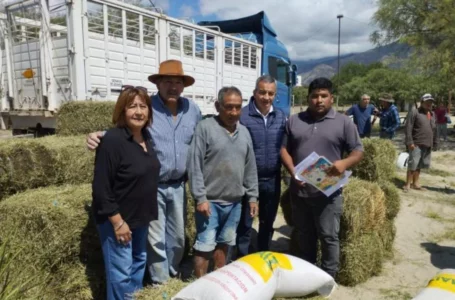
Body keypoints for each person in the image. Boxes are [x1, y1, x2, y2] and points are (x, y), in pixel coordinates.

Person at [86, 60, 201, 285]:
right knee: (155, 240)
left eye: (178, 82)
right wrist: (97, 134)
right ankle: (160, 285)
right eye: (167, 81)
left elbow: (203, 138)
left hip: (178, 185)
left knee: (177, 238)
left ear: (184, 86)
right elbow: (125, 129)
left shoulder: (193, 110)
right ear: (157, 83)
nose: (173, 87)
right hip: (152, 187)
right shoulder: (148, 107)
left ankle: (172, 273)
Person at [280, 77, 364, 279]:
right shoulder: (294, 120)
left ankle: (328, 276)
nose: (319, 100)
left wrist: (344, 163)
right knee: (303, 233)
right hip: (299, 191)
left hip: (329, 191)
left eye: (324, 96)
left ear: (331, 98)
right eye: (315, 96)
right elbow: (283, 149)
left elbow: (358, 151)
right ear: (308, 98)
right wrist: (293, 172)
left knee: (328, 235)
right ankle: (308, 273)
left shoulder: (343, 122)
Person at [92, 87, 160, 300]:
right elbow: (101, 188)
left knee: (138, 264)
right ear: (122, 111)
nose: (139, 112)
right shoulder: (113, 140)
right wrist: (117, 222)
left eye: (143, 106)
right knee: (120, 275)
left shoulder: (146, 137)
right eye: (132, 107)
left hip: (141, 218)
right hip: (119, 221)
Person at [187, 86, 259, 278]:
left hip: (235, 202)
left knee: (226, 242)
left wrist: (252, 197)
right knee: (205, 245)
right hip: (210, 202)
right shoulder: (205, 128)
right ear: (218, 106)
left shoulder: (244, 132)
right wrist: (200, 197)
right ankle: (200, 285)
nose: (233, 112)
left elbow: (250, 167)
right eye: (228, 107)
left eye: (237, 107)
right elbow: (194, 165)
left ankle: (218, 281)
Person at [235, 75, 286, 258]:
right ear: (254, 93)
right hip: (248, 180)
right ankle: (242, 258)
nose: (266, 97)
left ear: (275, 95)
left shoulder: (280, 116)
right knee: (245, 223)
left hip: (272, 179)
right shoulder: (242, 116)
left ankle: (263, 256)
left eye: (270, 93)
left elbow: (285, 146)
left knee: (267, 221)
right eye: (262, 92)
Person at [403, 93, 438, 192]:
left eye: (430, 102)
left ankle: (416, 184)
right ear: (422, 102)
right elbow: (408, 128)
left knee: (420, 164)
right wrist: (410, 142)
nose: (429, 104)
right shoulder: (414, 112)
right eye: (427, 102)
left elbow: (435, 129)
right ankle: (407, 184)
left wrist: (435, 142)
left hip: (427, 143)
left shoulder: (432, 114)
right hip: (416, 143)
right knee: (413, 164)